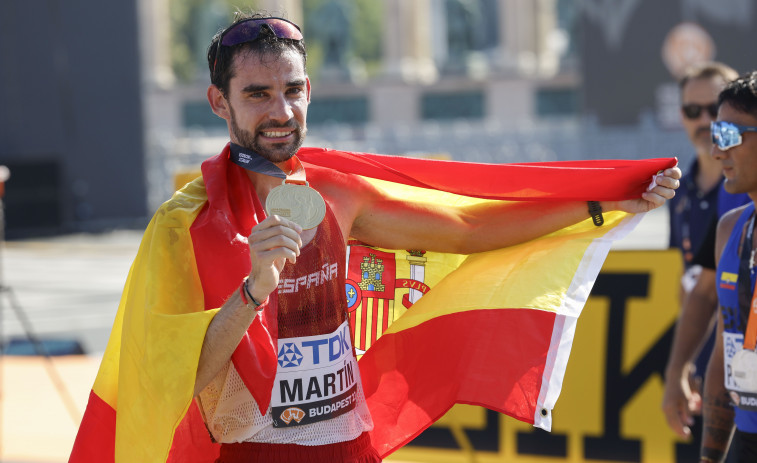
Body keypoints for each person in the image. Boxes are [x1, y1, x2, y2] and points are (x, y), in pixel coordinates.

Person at [70, 13, 681, 463]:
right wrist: (254, 289)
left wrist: (601, 202)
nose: (281, 110)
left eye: (293, 89)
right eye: (257, 94)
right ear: (219, 102)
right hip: (255, 453)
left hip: (347, 444)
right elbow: (184, 378)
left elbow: (469, 228)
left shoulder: (340, 192)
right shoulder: (184, 225)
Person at [662, 62, 748, 442]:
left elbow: (710, 287)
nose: (705, 121)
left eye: (715, 109)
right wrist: (686, 364)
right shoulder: (676, 190)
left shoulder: (746, 190)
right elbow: (694, 284)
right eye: (691, 111)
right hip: (710, 371)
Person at [700, 70, 757, 462]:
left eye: (728, 136)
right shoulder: (730, 230)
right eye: (714, 136)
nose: (717, 152)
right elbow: (725, 350)